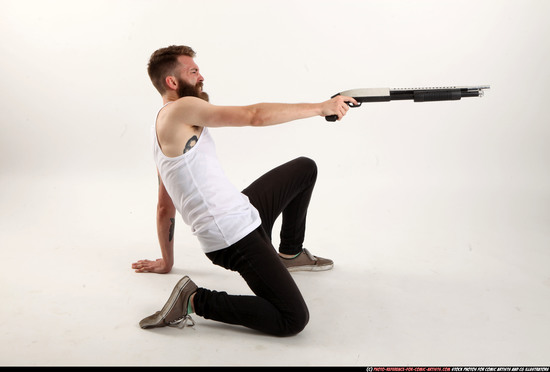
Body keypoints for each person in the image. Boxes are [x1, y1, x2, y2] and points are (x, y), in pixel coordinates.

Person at [132, 45, 357, 336]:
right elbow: (254, 116)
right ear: (172, 83)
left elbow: (165, 206)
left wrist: (167, 262)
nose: (201, 76)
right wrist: (320, 107)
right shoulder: (181, 108)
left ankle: (290, 253)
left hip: (242, 210)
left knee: (304, 168)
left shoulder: (161, 128)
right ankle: (194, 299)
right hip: (231, 237)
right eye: (193, 71)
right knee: (292, 319)